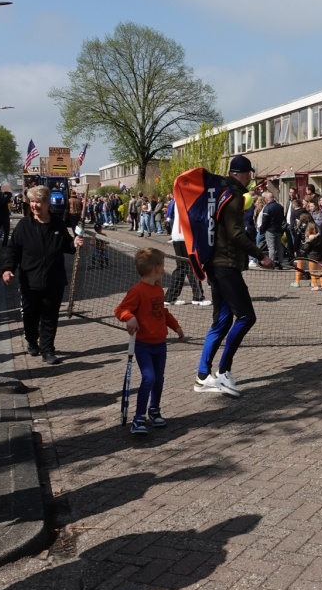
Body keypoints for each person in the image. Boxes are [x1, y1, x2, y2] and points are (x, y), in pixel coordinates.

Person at [194, 155, 274, 397]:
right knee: (247, 317)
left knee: (221, 322)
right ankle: (223, 371)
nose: (250, 178)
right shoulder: (234, 196)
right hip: (226, 266)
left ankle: (202, 376)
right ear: (244, 174)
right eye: (249, 174)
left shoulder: (219, 191)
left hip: (214, 263)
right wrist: (261, 256)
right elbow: (236, 234)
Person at [1, 185, 85, 365]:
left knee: (50, 316)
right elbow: (13, 250)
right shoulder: (24, 225)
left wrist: (74, 243)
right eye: (32, 202)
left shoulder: (57, 224)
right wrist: (8, 269)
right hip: (30, 280)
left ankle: (47, 350)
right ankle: (32, 340)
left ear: (47, 203)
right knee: (30, 316)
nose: (34, 205)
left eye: (38, 202)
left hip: (53, 279)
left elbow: (66, 245)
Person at [115, 249, 185, 435]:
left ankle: (154, 410)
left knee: (159, 378)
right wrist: (129, 317)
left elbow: (163, 312)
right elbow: (120, 310)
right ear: (157, 268)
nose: (164, 270)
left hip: (160, 344)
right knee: (149, 378)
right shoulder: (137, 290)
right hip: (143, 345)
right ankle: (139, 418)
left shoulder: (158, 289)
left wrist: (175, 326)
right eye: (163, 266)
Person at [163, 198, 209, 306]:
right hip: (185, 236)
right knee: (192, 266)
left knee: (182, 267)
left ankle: (170, 297)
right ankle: (198, 297)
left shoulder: (178, 198)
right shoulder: (188, 198)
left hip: (179, 235)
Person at [295, 221, 322, 290]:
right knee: (320, 272)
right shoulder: (321, 238)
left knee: (312, 272)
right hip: (320, 256)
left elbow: (306, 248)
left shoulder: (310, 239)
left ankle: (316, 286)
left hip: (312, 258)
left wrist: (304, 244)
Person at [258, 191, 286, 267]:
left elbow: (265, 220)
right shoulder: (280, 207)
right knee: (279, 246)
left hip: (270, 229)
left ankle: (271, 263)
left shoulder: (267, 207)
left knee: (271, 247)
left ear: (267, 199)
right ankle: (281, 262)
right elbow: (282, 218)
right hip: (278, 229)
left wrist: (262, 229)